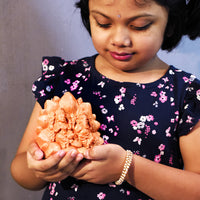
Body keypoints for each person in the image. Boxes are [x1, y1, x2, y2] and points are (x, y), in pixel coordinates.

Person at [11, 0, 200, 199]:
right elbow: (20, 170)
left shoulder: (185, 94)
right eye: (103, 23)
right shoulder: (66, 79)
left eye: (139, 26)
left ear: (170, 23)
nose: (119, 40)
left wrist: (125, 168)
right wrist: (38, 168)